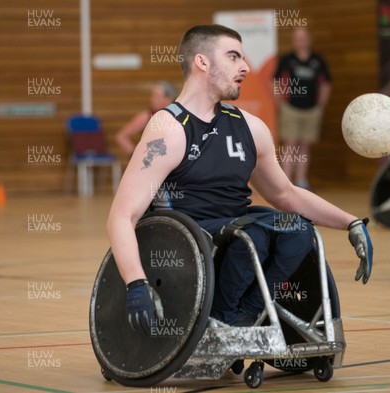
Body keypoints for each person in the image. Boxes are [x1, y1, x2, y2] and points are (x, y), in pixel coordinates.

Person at [107, 24, 372, 333]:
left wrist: (350, 222)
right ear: (202, 62)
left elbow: (285, 194)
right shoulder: (168, 129)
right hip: (186, 239)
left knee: (298, 230)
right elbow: (122, 215)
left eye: (243, 58)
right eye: (233, 57)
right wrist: (137, 284)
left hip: (237, 229)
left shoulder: (251, 127)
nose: (245, 67)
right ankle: (222, 315)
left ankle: (244, 315)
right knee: (254, 235)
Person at [273, 27, 331, 190]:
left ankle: (301, 181)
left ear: (309, 39)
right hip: (291, 108)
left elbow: (325, 83)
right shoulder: (287, 59)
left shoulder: (317, 60)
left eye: (303, 37)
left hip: (312, 110)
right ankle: (284, 182)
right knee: (290, 144)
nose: (301, 41)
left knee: (305, 145)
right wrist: (280, 102)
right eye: (297, 38)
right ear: (294, 40)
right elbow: (275, 81)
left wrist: (321, 104)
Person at [115, 81, 178, 156]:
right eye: (153, 95)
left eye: (156, 95)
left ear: (168, 99)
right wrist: (136, 156)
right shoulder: (146, 116)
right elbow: (121, 136)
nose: (152, 99)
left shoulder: (179, 115)